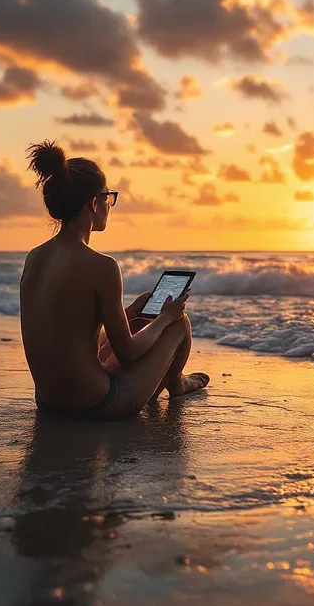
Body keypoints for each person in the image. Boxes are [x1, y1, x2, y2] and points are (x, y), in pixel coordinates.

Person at [20, 140, 209, 419]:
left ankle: (163, 369)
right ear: (92, 204)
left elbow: (68, 338)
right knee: (179, 323)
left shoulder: (34, 258)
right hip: (96, 404)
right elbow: (130, 354)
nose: (109, 204)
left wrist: (129, 313)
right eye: (107, 197)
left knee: (134, 321)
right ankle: (177, 384)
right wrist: (165, 317)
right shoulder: (103, 266)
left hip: (48, 402)